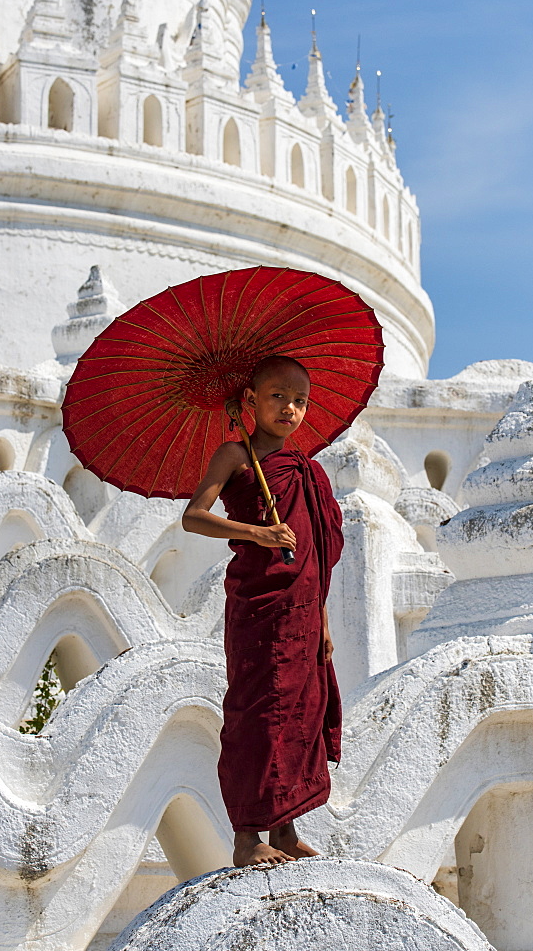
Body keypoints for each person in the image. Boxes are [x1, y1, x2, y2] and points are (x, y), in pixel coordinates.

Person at [182, 354, 344, 867]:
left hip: (301, 610)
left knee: (298, 713)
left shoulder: (307, 471)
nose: (290, 408)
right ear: (249, 400)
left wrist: (321, 621)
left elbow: (318, 554)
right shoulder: (235, 455)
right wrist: (258, 532)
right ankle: (248, 837)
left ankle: (286, 829)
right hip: (260, 605)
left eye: (300, 400)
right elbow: (194, 517)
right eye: (278, 396)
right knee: (258, 713)